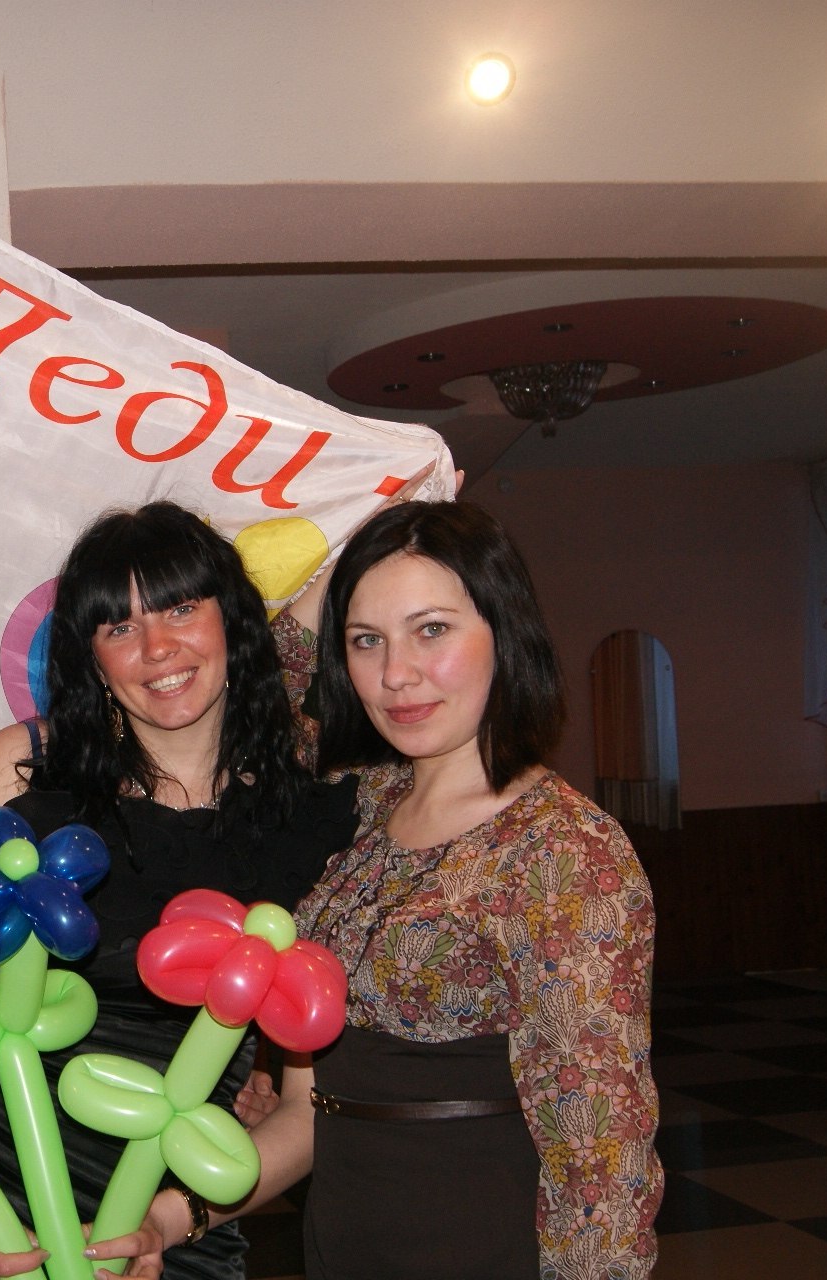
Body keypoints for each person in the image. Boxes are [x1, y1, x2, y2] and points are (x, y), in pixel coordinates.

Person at [0, 501, 359, 1280]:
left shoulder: (312, 818)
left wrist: (171, 1222)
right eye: (120, 627)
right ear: (91, 657)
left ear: (232, 620)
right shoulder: (26, 772)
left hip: (178, 1227)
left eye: (181, 608)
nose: (157, 649)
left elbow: (308, 1105)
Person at [256, 499, 663, 1277]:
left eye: (432, 629)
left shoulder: (562, 851)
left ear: (504, 632)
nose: (395, 674)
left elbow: (599, 1155)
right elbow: (242, 717)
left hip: (477, 1243)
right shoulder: (365, 801)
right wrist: (344, 541)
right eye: (366, 640)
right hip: (343, 1233)